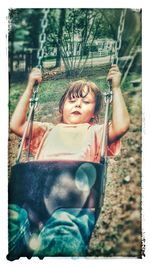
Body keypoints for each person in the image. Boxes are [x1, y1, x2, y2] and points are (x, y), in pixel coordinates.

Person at [8, 65, 130, 259]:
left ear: (94, 114)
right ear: (61, 107)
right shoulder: (46, 131)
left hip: (73, 205)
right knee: (10, 221)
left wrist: (115, 88)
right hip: (32, 198)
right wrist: (30, 86)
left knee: (64, 233)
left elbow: (121, 126)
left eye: (86, 101)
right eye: (72, 100)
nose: (78, 104)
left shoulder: (96, 133)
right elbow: (16, 125)